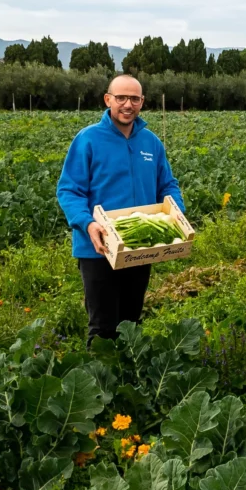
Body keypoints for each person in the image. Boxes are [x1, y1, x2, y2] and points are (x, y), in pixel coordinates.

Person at [56, 74, 184, 344]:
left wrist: (176, 212)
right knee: (103, 327)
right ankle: (100, 384)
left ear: (142, 102)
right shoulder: (88, 140)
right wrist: (87, 223)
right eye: (121, 98)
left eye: (134, 98)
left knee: (131, 322)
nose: (128, 104)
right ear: (108, 100)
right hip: (98, 248)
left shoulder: (150, 143)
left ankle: (128, 378)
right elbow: (69, 190)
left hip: (139, 247)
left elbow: (168, 185)